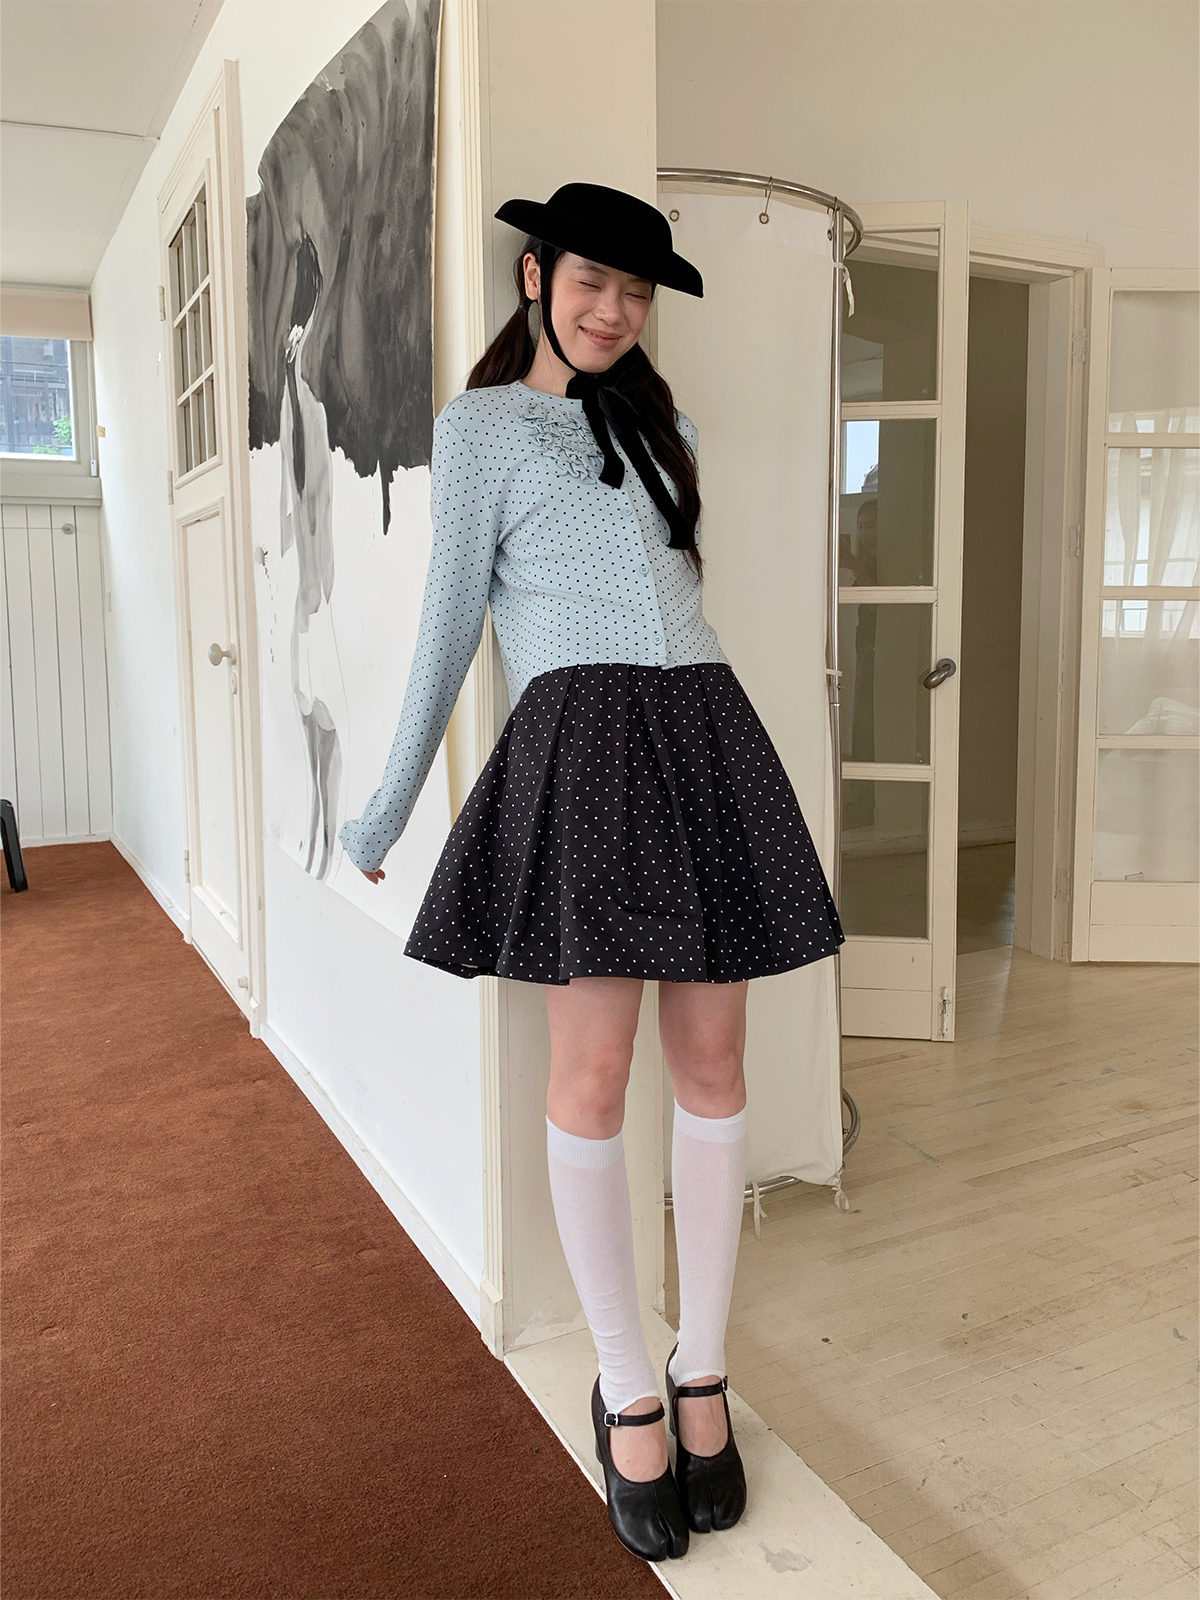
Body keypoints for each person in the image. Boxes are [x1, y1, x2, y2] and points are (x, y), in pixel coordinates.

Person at [338, 182, 844, 1563]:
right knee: (595, 1078)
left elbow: (682, 599)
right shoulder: (482, 428)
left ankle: (701, 1368)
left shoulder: (666, 429)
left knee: (716, 1067)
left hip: (703, 735)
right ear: (536, 276)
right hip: (583, 750)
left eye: (635, 290)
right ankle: (624, 1380)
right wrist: (384, 812)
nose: (614, 309)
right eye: (591, 282)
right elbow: (449, 630)